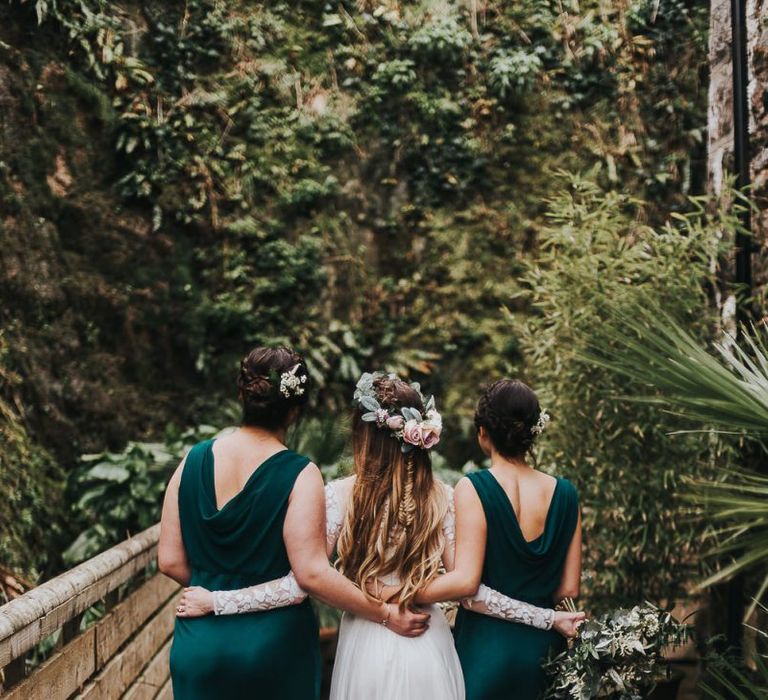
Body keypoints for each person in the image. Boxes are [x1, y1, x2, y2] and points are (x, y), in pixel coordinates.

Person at [177, 372, 583, 699]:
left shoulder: (337, 495)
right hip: (428, 639)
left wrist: (219, 599)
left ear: (363, 433)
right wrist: (546, 617)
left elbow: (308, 577)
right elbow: (469, 588)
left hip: (364, 641)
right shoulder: (443, 498)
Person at [159, 350, 428, 700]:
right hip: (273, 647)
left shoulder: (191, 462)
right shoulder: (300, 474)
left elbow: (169, 560)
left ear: (242, 395)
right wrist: (384, 614)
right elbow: (311, 573)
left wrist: (217, 585)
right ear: (296, 411)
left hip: (200, 643)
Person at [416, 379, 582, 700]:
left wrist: (405, 591)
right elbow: (569, 589)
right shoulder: (566, 493)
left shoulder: (473, 488)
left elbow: (466, 580)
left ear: (483, 432)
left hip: (485, 648)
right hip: (545, 650)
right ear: (533, 431)